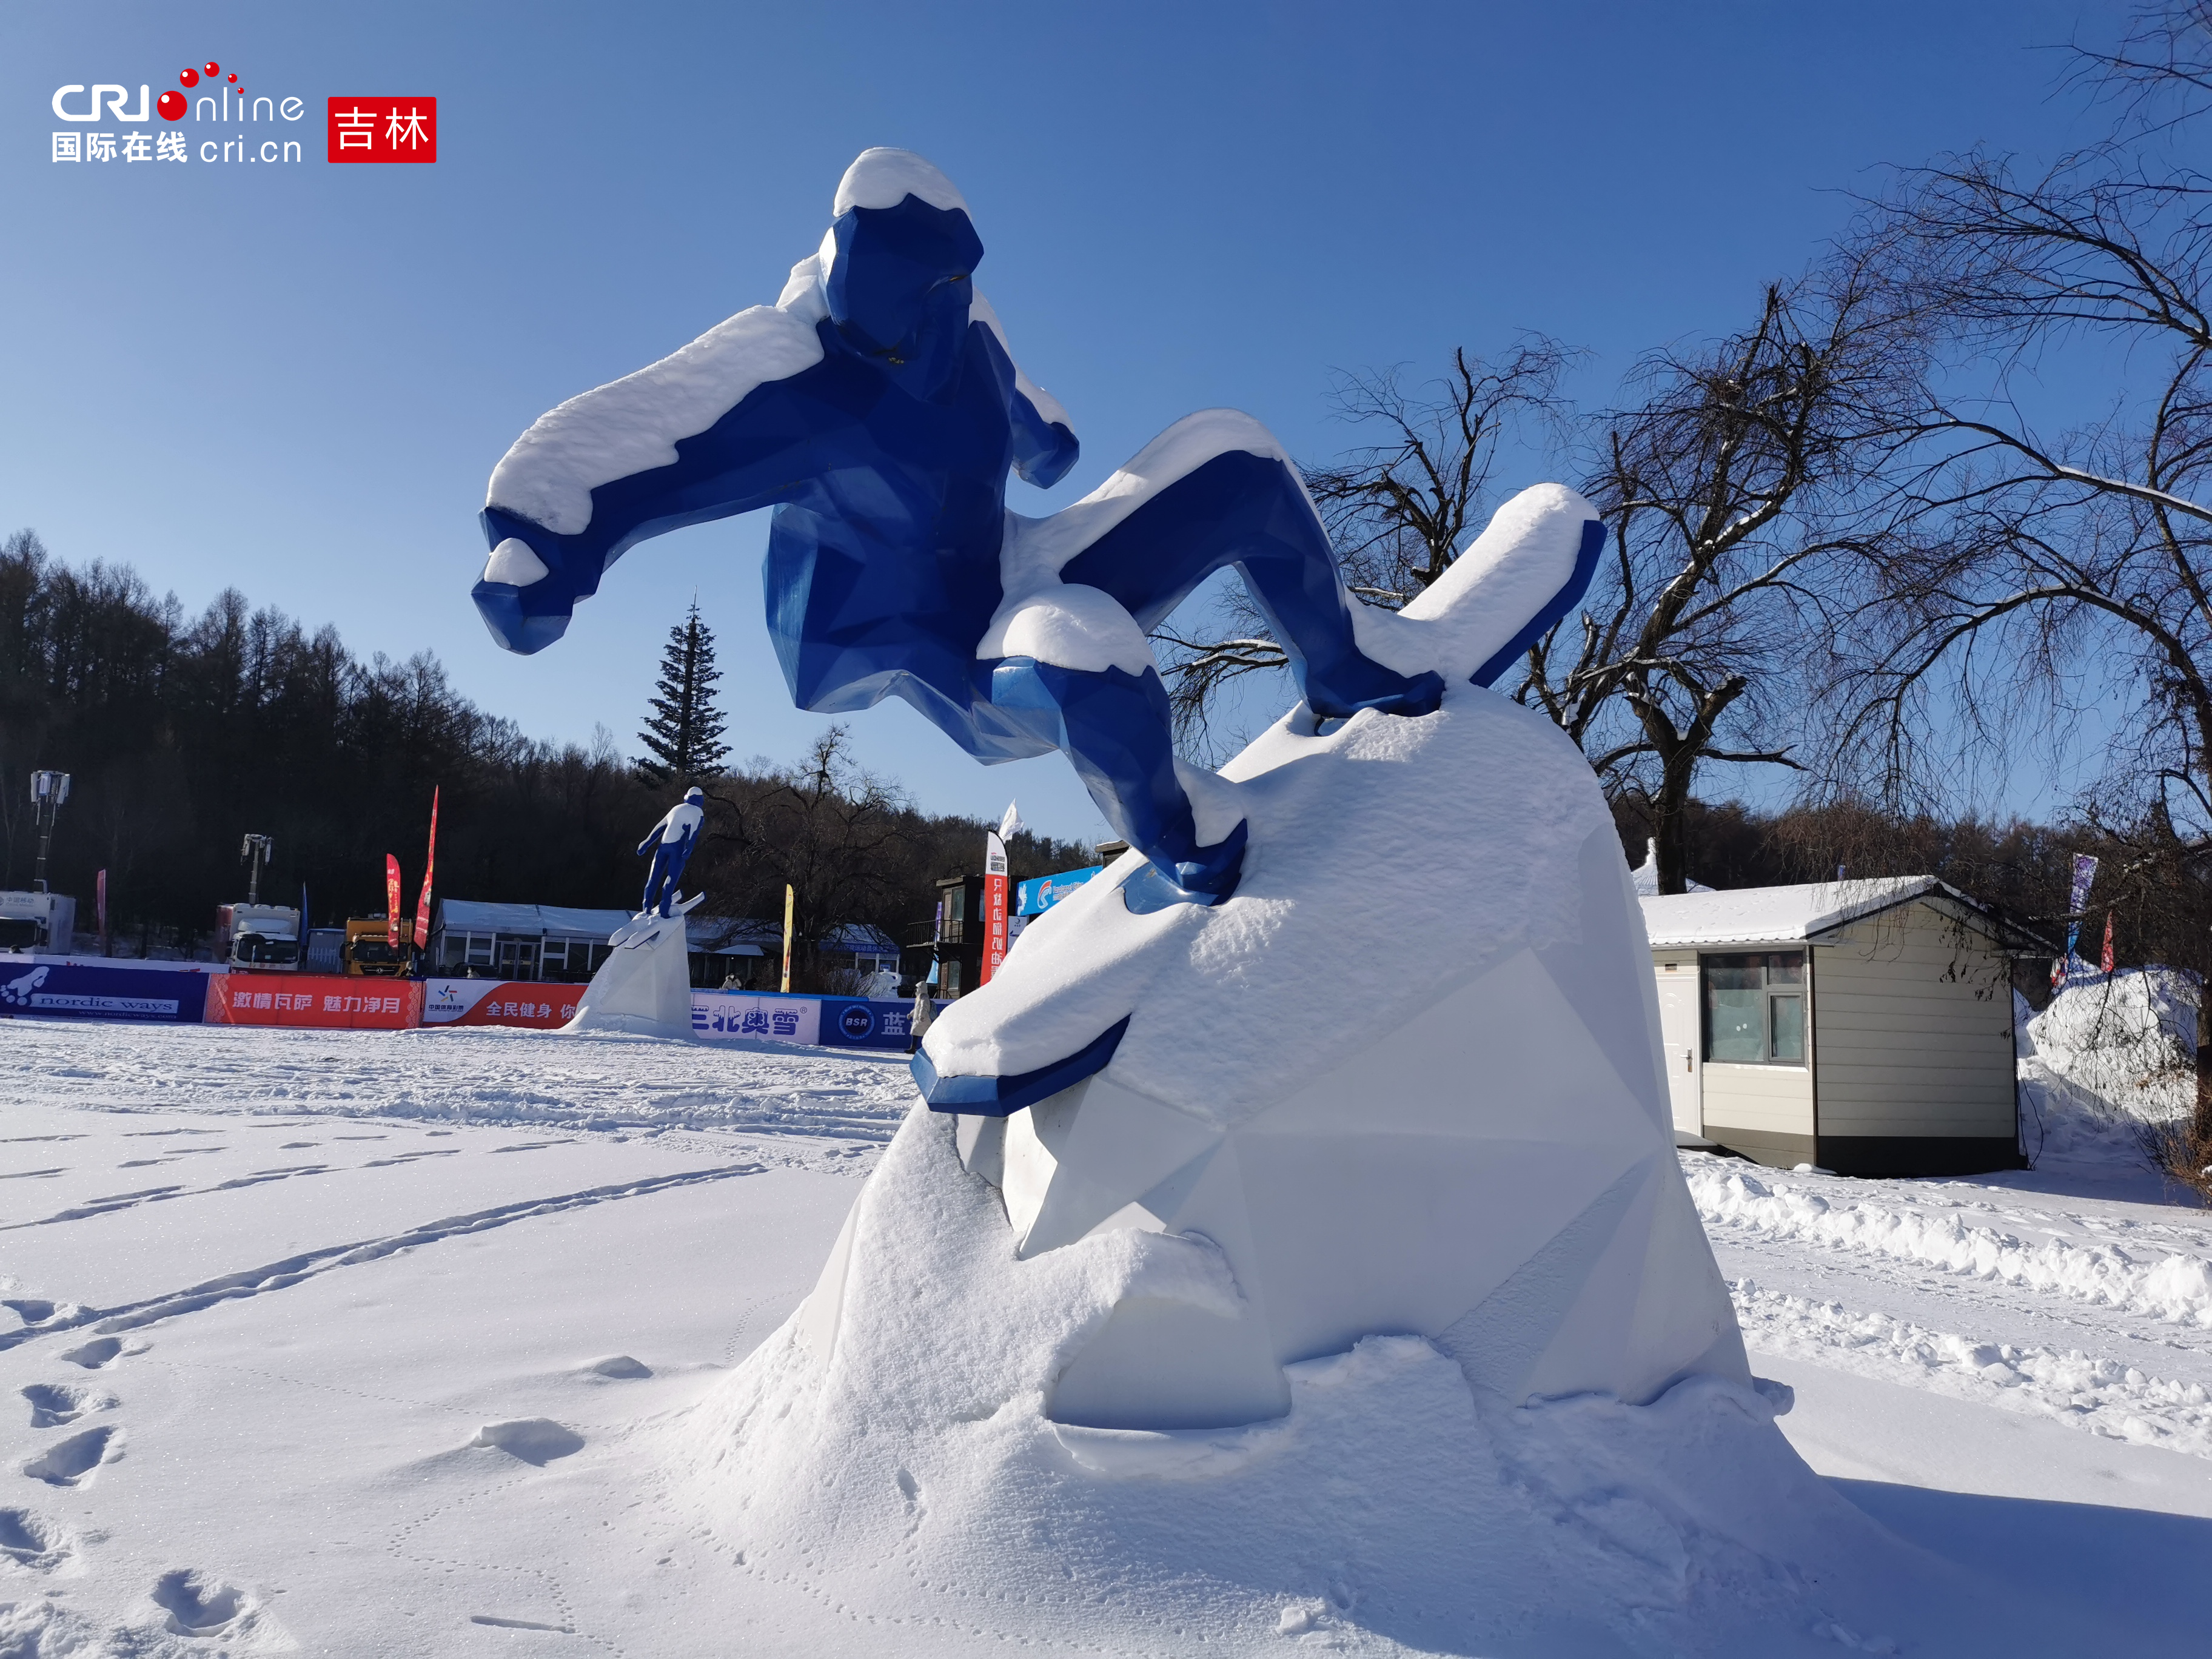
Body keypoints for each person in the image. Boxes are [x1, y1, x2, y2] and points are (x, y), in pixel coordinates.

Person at [477, 150, 1598, 907]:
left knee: (1239, 462)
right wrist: (544, 548)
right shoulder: (793, 380)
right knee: (1083, 667)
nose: (950, 316)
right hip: (911, 645)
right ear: (871, 305)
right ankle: (1184, 836)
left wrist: (1043, 442)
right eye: (925, 307)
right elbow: (636, 436)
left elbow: (1027, 413)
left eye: (959, 290)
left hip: (1009, 563)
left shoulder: (966, 328)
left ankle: (1344, 659)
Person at [637, 787, 705, 918]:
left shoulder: (676, 808)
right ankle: (664, 909)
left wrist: (646, 843)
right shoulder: (697, 812)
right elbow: (694, 833)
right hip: (677, 849)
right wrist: (689, 849)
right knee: (671, 878)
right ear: (700, 799)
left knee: (653, 878)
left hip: (663, 847)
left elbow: (660, 827)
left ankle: (646, 908)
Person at [908, 974, 936, 1055]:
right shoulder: (919, 998)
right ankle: (913, 1048)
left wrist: (922, 1016)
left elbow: (924, 1008)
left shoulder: (925, 998)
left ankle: (923, 1049)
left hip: (923, 1020)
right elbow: (917, 1009)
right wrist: (911, 1014)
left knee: (924, 1034)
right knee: (915, 1033)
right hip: (919, 1019)